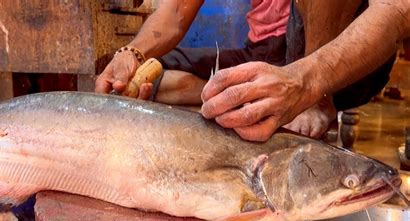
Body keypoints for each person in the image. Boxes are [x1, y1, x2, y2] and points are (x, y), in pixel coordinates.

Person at [96, 0, 410, 142]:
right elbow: (175, 11)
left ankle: (317, 103)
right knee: (158, 75)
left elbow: (397, 10)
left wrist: (307, 83)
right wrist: (133, 53)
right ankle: (237, 94)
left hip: (334, 50)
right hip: (262, 51)